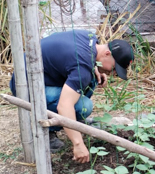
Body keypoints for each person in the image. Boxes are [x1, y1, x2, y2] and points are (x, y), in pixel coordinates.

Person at [10, 30, 134, 162]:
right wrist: (78, 144)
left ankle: (71, 122)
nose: (112, 72)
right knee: (84, 106)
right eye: (114, 68)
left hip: (37, 75)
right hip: (26, 87)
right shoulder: (83, 66)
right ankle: (48, 131)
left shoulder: (89, 37)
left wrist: (95, 67)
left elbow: (76, 58)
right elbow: (64, 105)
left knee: (91, 78)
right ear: (107, 53)